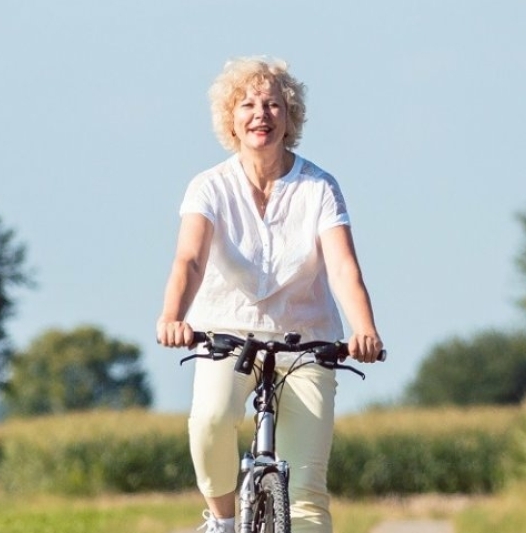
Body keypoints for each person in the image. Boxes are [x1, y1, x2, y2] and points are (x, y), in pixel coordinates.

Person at [156, 56, 385, 533]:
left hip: (307, 341)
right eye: (248, 104)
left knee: (306, 495)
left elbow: (342, 266)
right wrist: (172, 316)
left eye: (273, 104)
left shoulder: (319, 187)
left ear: (289, 117)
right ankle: (221, 519)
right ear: (231, 120)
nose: (261, 113)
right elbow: (190, 260)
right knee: (211, 421)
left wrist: (364, 329)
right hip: (226, 333)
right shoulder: (210, 187)